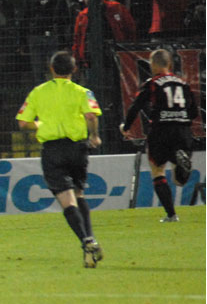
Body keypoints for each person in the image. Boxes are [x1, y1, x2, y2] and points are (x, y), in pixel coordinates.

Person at [16, 51, 103, 268]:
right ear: (74, 70)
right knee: (79, 194)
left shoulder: (38, 92)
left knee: (66, 201)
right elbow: (91, 116)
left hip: (53, 150)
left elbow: (23, 123)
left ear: (51, 69)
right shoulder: (84, 92)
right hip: (78, 149)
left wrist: (40, 125)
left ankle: (85, 240)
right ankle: (90, 238)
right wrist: (94, 135)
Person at [120, 49, 199, 222]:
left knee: (158, 171)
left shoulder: (153, 83)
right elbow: (193, 112)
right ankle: (180, 161)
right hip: (183, 131)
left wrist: (126, 126)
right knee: (179, 181)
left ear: (153, 64)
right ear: (169, 64)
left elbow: (136, 106)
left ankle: (171, 214)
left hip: (161, 131)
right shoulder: (183, 83)